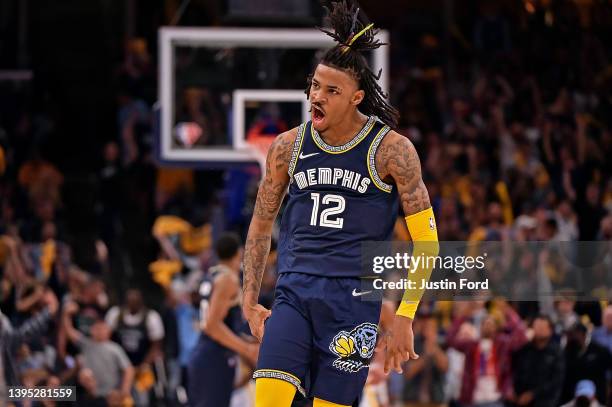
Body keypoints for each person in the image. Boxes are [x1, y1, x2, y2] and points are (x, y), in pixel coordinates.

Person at [242, 2, 439, 406]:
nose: (317, 97)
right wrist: (248, 301)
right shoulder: (286, 147)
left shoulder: (392, 151)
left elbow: (428, 243)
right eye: (315, 86)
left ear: (357, 98)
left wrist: (404, 316)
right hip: (294, 294)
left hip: (353, 303)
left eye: (332, 91)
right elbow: (261, 226)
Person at [187, 232, 258, 407]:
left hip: (207, 353)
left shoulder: (212, 274)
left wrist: (247, 341)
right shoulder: (228, 279)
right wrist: (246, 349)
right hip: (215, 356)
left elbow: (217, 323)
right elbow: (212, 325)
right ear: (239, 252)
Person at [62, 301, 135, 401]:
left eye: (103, 328)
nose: (100, 331)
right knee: (55, 392)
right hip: (86, 393)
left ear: (109, 331)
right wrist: (66, 315)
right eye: (97, 328)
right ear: (92, 330)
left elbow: (129, 369)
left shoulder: (115, 348)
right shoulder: (86, 344)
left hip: (109, 395)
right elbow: (69, 331)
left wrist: (124, 391)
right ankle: (37, 395)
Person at [513, 315, 564, 407]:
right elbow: (516, 371)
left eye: (542, 327)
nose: (538, 330)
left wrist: (533, 394)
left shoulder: (557, 352)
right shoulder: (525, 349)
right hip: (522, 399)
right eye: (536, 327)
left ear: (550, 330)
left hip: (547, 401)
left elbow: (556, 380)